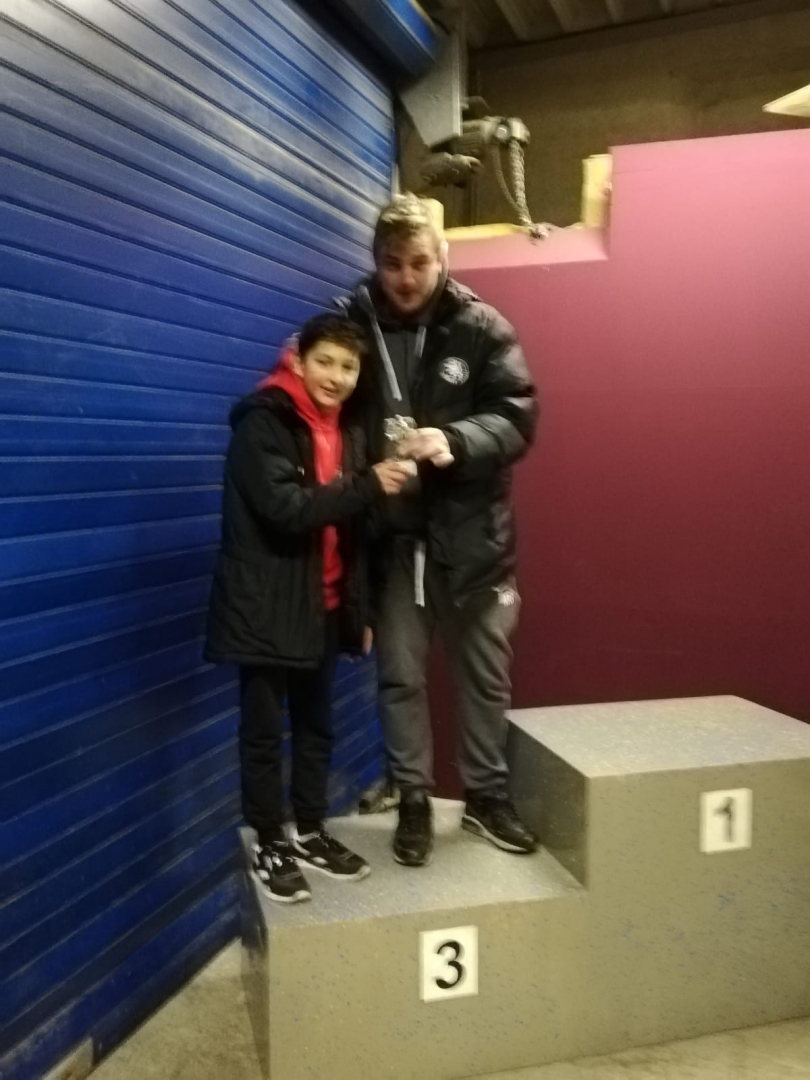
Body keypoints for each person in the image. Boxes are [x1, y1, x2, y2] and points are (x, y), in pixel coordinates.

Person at [342, 193, 540, 867]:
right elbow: (309, 385)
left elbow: (517, 416)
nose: (405, 277)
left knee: (484, 679)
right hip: (395, 542)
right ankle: (414, 800)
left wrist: (454, 439)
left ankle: (485, 798)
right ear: (376, 261)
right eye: (392, 263)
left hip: (473, 540)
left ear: (442, 258)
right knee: (400, 677)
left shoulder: (480, 326)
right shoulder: (350, 322)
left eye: (419, 262)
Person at [205, 314, 410, 902]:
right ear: (298, 361)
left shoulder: (345, 428)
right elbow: (286, 509)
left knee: (317, 726)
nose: (336, 377)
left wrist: (359, 612)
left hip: (325, 604)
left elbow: (356, 533)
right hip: (267, 607)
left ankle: (311, 830)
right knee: (265, 732)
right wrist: (367, 484)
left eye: (349, 366)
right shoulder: (264, 421)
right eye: (325, 362)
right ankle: (270, 839)